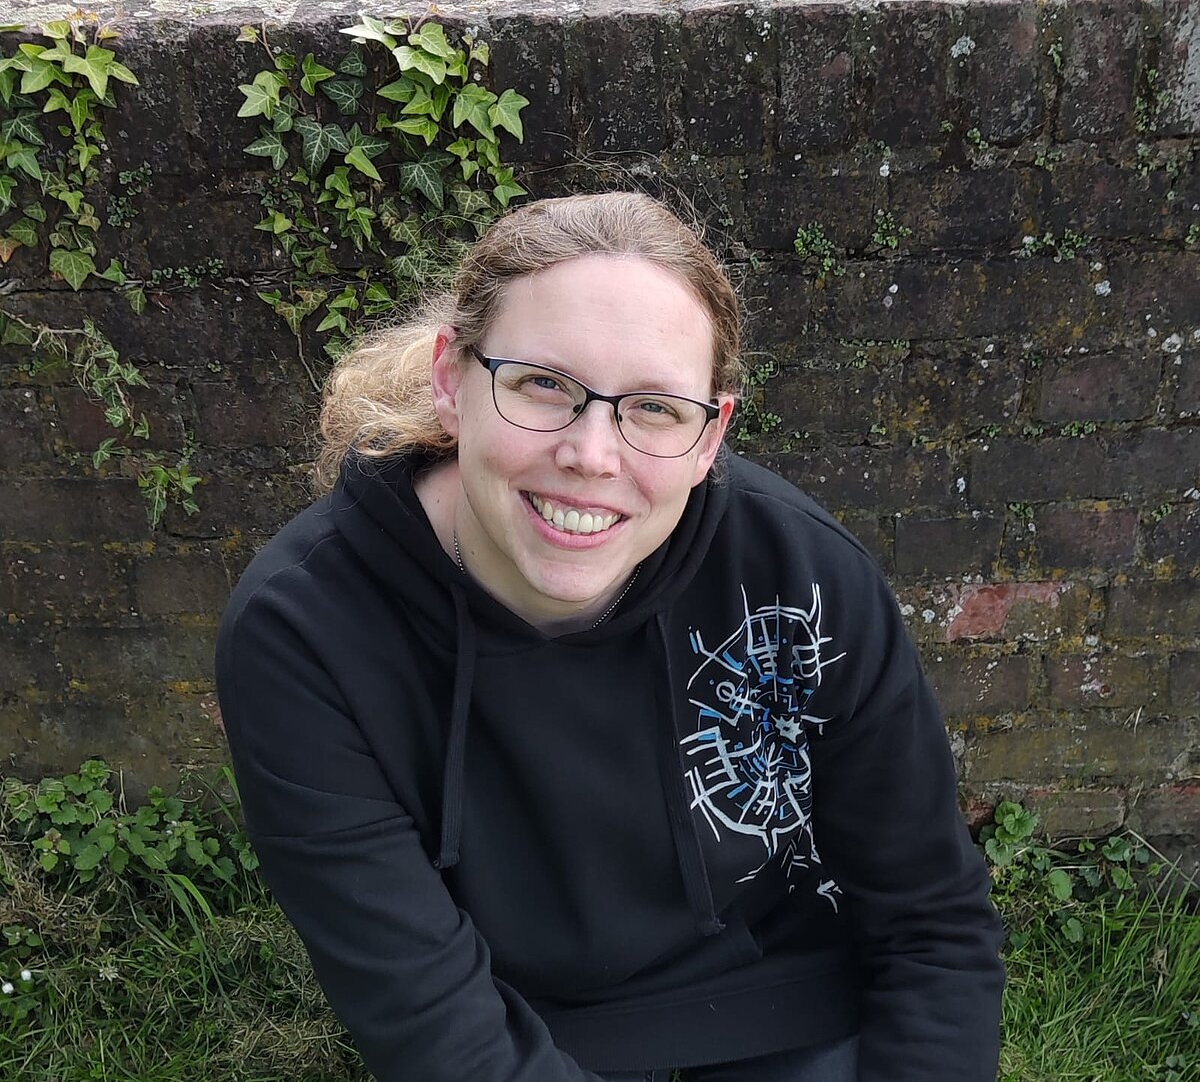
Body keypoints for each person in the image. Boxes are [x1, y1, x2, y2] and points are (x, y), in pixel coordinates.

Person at [215, 191, 1005, 1082]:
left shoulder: (802, 571)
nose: (592, 455)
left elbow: (931, 915)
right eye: (543, 384)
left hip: (787, 1006)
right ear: (451, 381)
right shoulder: (303, 632)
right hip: (521, 1034)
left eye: (655, 406)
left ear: (710, 437)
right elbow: (434, 1022)